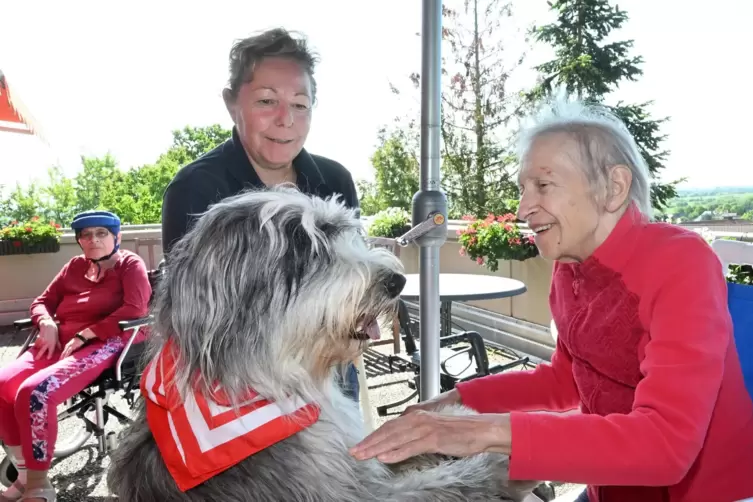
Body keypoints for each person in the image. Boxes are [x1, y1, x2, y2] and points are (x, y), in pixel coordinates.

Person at [349, 98, 753, 502]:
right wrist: (457, 401)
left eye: (543, 186)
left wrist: (478, 432)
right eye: (523, 189)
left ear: (613, 188)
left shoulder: (680, 261)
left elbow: (668, 444)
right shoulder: (569, 267)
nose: (524, 208)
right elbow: (567, 378)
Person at [160, 28, 362, 402]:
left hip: (329, 374)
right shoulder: (196, 189)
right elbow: (194, 316)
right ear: (231, 103)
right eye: (267, 101)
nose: (286, 119)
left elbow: (354, 273)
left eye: (301, 104)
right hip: (240, 391)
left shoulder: (334, 180)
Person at [0, 210, 151, 502]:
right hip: (61, 340)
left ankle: (39, 484)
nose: (93, 239)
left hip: (109, 340)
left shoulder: (130, 265)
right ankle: (23, 474)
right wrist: (45, 322)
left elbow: (135, 309)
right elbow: (43, 301)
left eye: (101, 233)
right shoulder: (73, 267)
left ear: (116, 237)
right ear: (79, 241)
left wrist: (87, 333)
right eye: (86, 234)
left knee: (36, 392)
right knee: (2, 385)